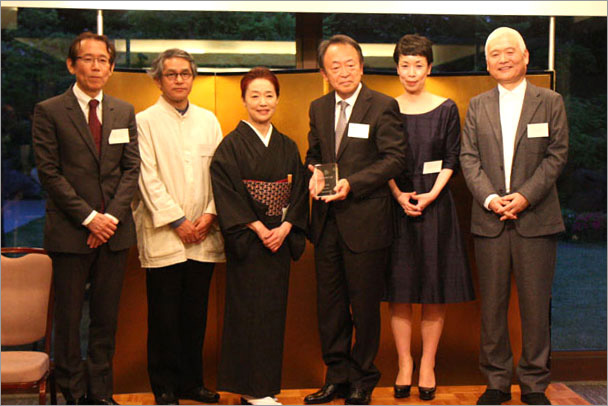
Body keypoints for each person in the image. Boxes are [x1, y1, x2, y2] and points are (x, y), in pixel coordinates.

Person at [460, 27, 568, 406]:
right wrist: (491, 198)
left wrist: (523, 197)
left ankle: (535, 384)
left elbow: (557, 156)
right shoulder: (477, 105)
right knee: (491, 307)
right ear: (487, 63)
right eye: (495, 54)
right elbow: (468, 158)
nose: (503, 59)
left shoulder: (550, 101)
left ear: (525, 57)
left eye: (510, 52)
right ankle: (496, 382)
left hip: (536, 220)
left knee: (536, 306)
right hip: (490, 220)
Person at [31, 32, 140, 405]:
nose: (96, 66)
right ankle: (73, 394)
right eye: (88, 59)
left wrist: (109, 218)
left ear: (111, 68)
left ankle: (100, 393)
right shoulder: (49, 110)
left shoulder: (123, 111)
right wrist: (90, 218)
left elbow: (131, 170)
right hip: (70, 233)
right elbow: (49, 173)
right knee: (69, 318)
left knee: (105, 321)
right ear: (71, 65)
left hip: (114, 233)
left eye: (103, 60)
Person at [304, 34, 407, 406]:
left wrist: (352, 183)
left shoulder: (382, 105)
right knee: (330, 308)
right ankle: (336, 377)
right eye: (335, 66)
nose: (344, 71)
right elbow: (314, 154)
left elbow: (395, 159)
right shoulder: (317, 107)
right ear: (324, 73)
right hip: (327, 222)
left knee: (363, 308)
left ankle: (364, 377)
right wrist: (313, 171)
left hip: (366, 223)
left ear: (361, 66)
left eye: (350, 64)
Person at [210, 67, 308, 406]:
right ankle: (251, 390)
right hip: (250, 243)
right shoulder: (231, 146)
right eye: (255, 95)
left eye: (269, 95)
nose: (262, 102)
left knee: (272, 315)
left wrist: (286, 227)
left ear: (277, 99)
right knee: (247, 314)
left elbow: (297, 194)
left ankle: (263, 388)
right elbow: (228, 193)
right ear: (243, 100)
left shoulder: (287, 145)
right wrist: (258, 227)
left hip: (278, 242)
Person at [385, 34, 475, 401]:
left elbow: (453, 158)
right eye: (404, 65)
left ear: (429, 67)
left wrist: (432, 195)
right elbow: (382, 159)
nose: (411, 72)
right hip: (397, 207)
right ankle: (405, 363)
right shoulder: (386, 107)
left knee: (434, 291)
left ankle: (428, 364)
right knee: (400, 291)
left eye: (417, 64)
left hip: (436, 207)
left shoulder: (446, 107)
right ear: (397, 67)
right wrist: (399, 194)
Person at [132, 49, 225, 405]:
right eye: (171, 74)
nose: (179, 80)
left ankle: (192, 382)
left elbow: (221, 174)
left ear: (193, 78)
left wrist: (210, 215)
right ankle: (165, 386)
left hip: (204, 232)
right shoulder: (144, 122)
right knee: (164, 316)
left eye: (185, 73)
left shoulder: (208, 120)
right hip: (165, 234)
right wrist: (178, 220)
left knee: (195, 314)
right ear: (158, 80)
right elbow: (147, 178)